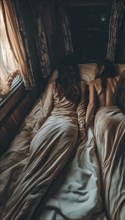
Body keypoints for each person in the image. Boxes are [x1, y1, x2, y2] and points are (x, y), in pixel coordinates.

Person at [1, 62, 87, 220]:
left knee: (32, 167)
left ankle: (14, 205)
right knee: (47, 172)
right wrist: (82, 129)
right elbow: (81, 110)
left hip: (51, 124)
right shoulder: (81, 85)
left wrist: (36, 130)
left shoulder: (54, 85)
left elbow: (46, 109)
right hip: (68, 127)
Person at [85, 60, 125, 219]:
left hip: (105, 120)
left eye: (96, 67)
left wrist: (85, 126)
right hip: (122, 119)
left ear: (101, 68)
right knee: (124, 163)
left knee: (108, 165)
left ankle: (115, 207)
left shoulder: (93, 83)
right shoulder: (116, 80)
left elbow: (91, 106)